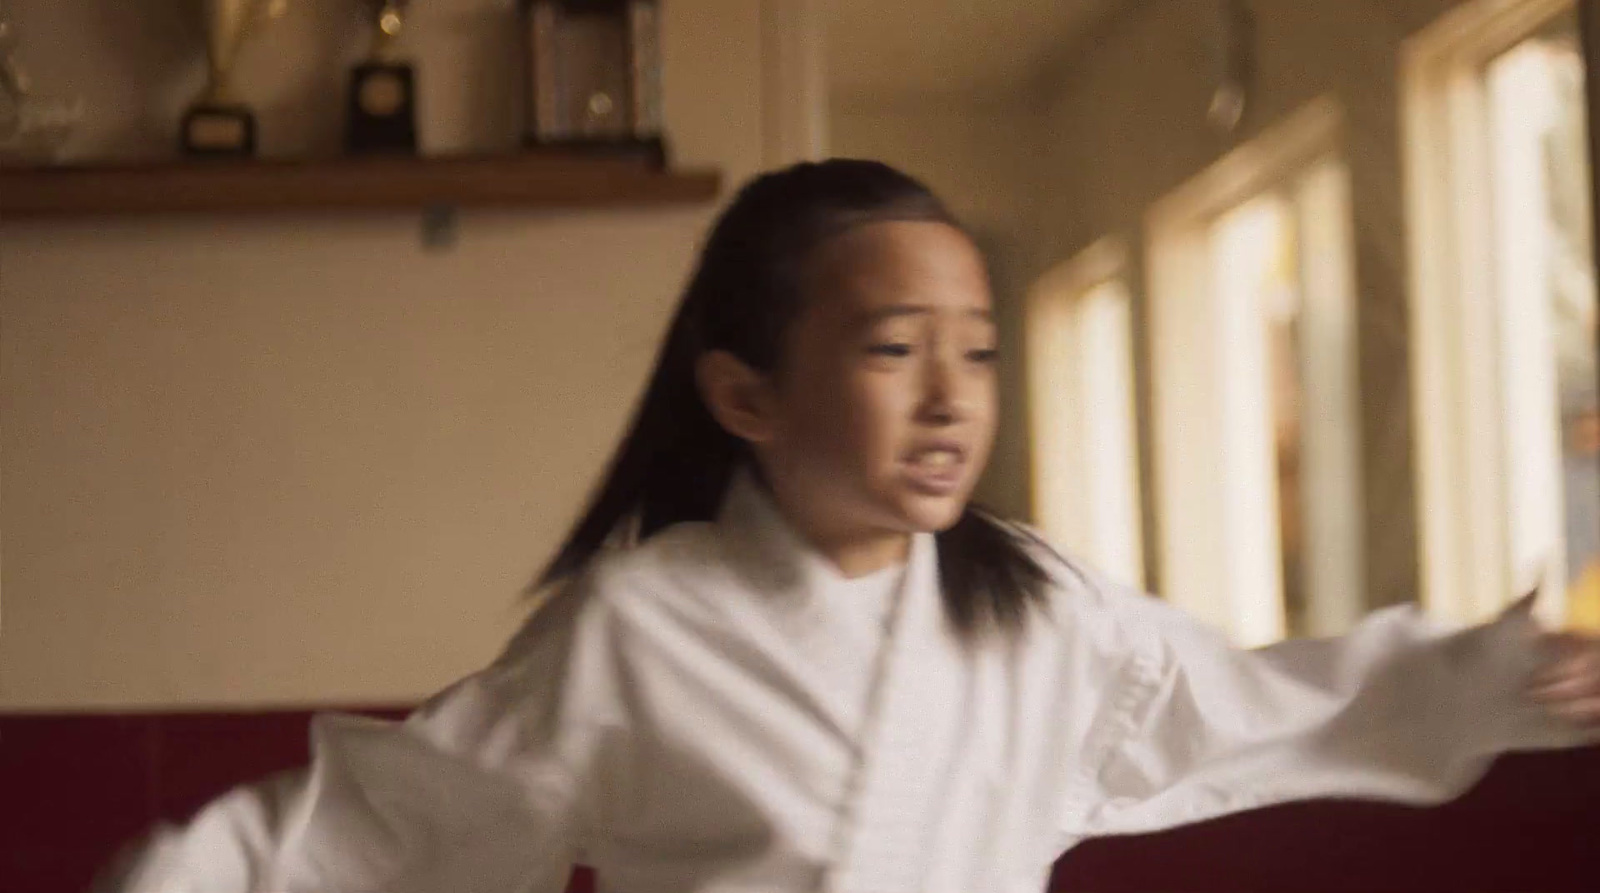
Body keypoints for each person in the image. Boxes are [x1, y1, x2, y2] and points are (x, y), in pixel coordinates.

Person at [108, 160, 1600, 893]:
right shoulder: (642, 629)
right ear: (746, 394)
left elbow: (1254, 704)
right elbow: (395, 822)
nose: (953, 393)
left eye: (980, 346)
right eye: (894, 348)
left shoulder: (1035, 609)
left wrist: (1493, 674)